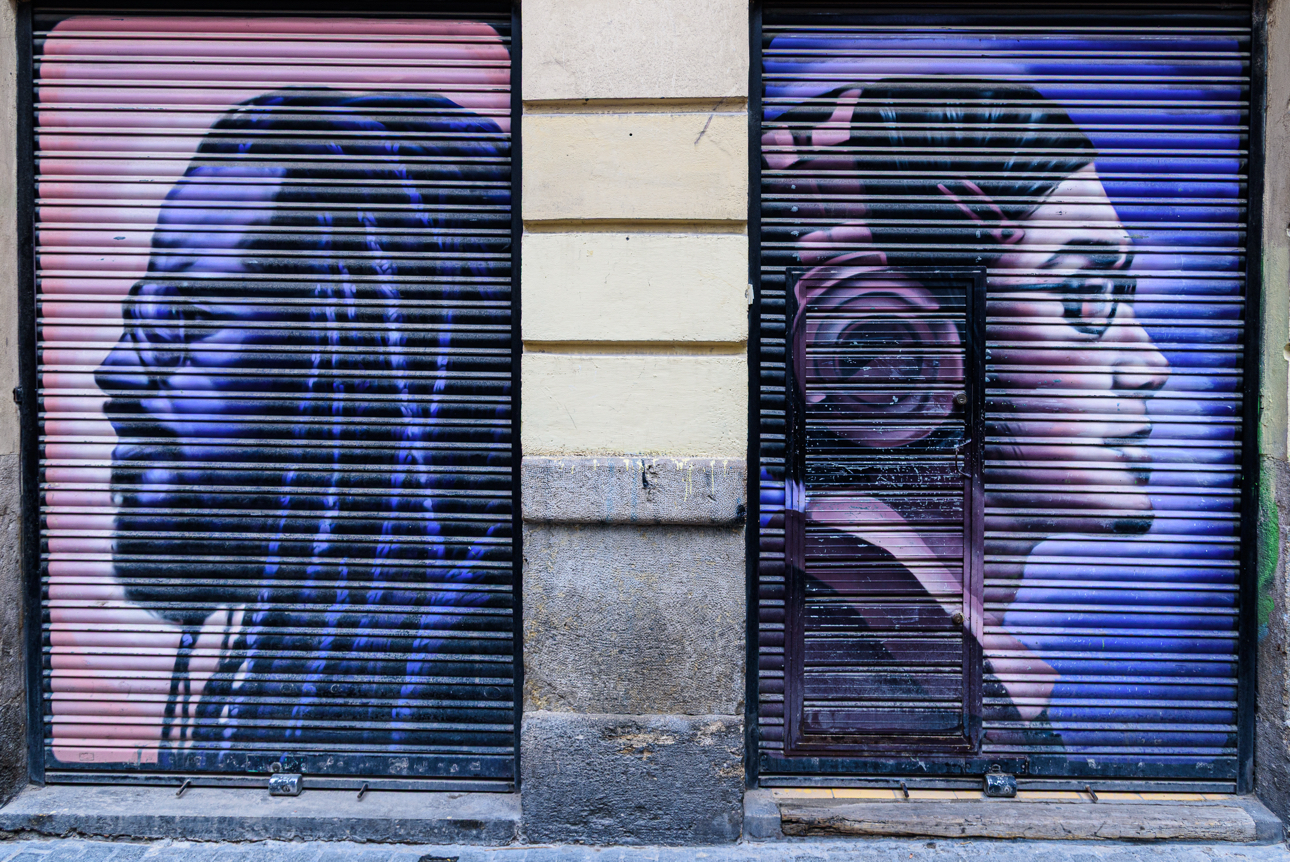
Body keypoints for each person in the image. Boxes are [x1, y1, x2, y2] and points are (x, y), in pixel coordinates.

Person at [93, 89, 513, 772]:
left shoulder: (467, 650)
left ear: (364, 353)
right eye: (142, 311)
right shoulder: (301, 648)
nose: (115, 372)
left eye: (191, 312)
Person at [760, 78, 1170, 741]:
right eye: (1083, 296)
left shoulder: (934, 650)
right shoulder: (849, 650)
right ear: (899, 345)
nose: (1152, 365)